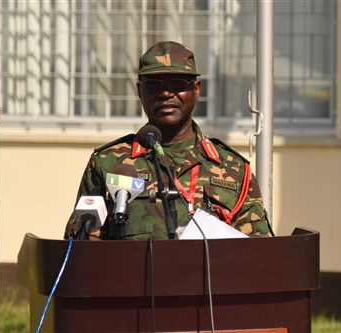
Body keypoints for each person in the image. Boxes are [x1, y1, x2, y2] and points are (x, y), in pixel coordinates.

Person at [65, 41, 273, 240]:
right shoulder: (107, 163)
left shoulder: (234, 169)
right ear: (140, 91)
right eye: (154, 85)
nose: (165, 93)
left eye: (178, 84)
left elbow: (257, 249)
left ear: (197, 89)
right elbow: (80, 245)